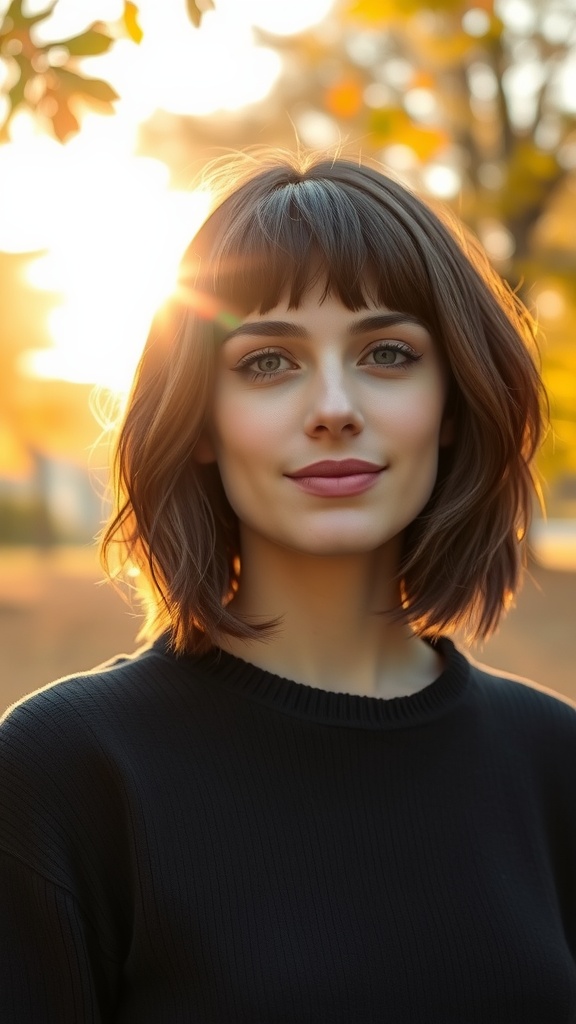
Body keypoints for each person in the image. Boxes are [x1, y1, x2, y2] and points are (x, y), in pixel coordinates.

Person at [1, 149, 575, 1023]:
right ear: (199, 419)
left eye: (387, 352)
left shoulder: (554, 763)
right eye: (268, 361)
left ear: (452, 404)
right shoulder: (65, 774)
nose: (334, 406)